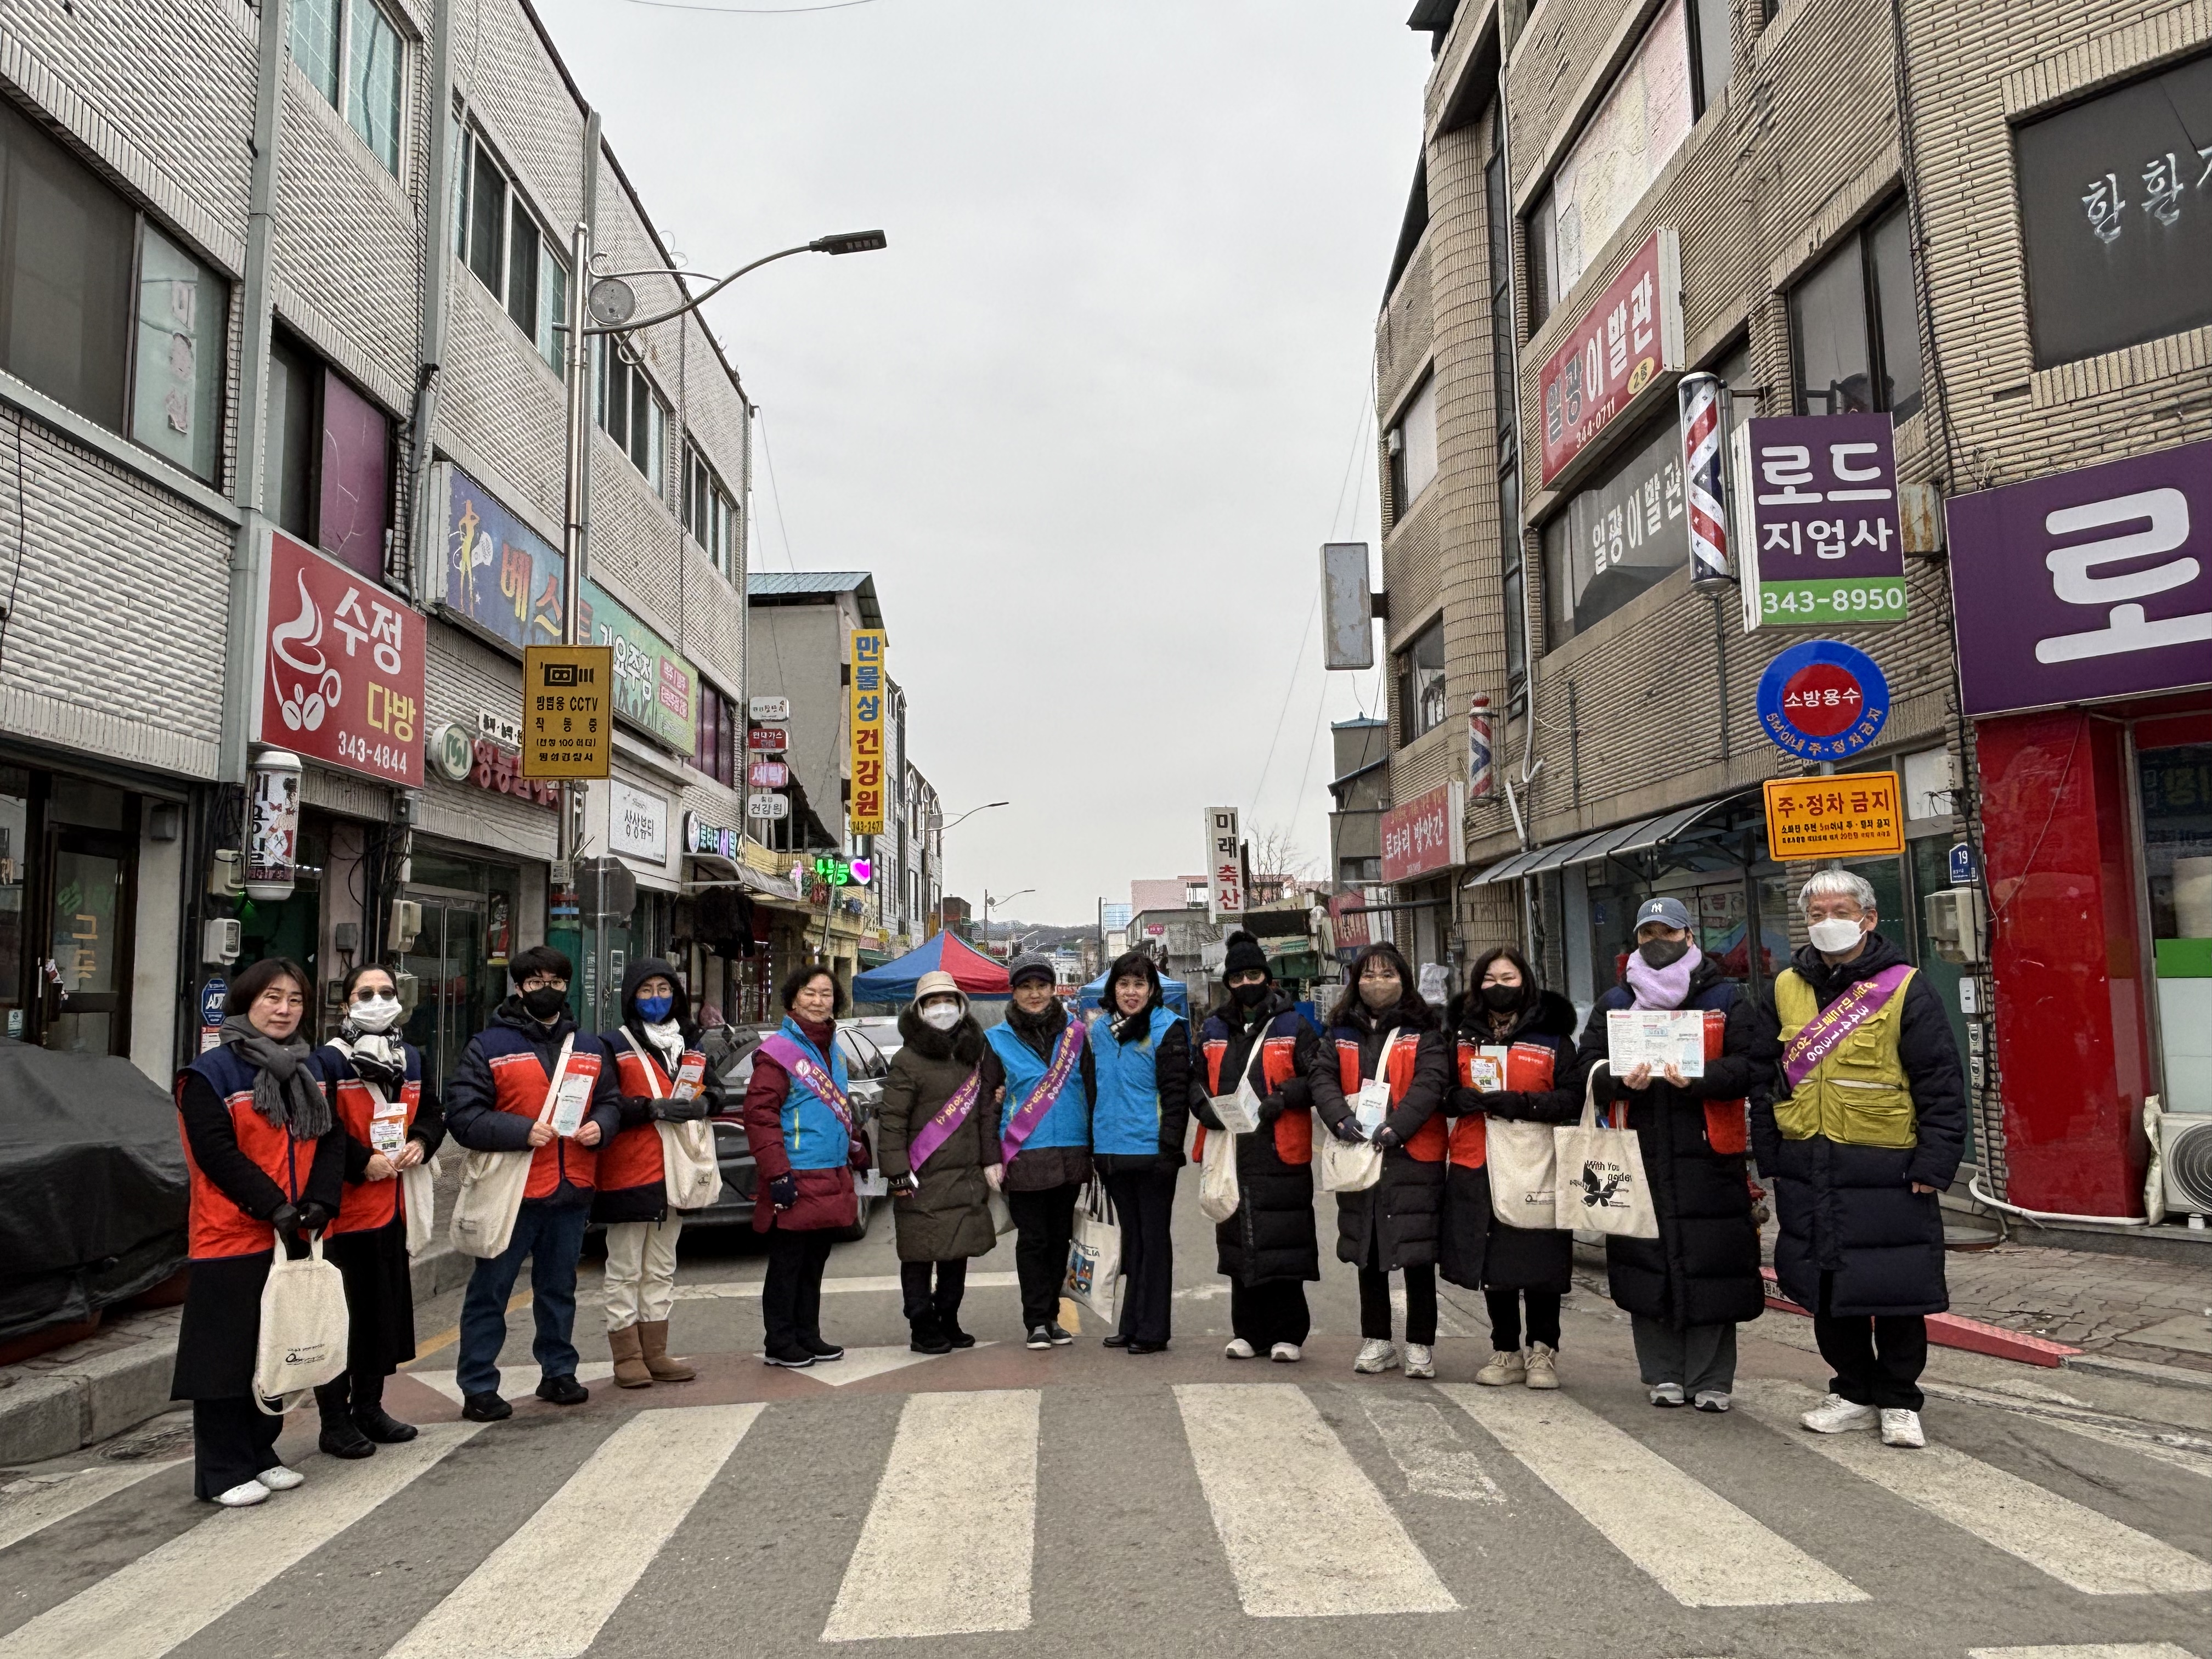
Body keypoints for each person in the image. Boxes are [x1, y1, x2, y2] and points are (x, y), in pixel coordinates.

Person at [1757, 870, 1968, 1449]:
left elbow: (1940, 1082)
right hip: (1808, 1163)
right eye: (1816, 914)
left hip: (1886, 1165)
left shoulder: (1906, 987)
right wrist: (1771, 1154)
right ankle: (1851, 1390)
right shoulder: (1785, 988)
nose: (1828, 923)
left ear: (1868, 919)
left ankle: (1899, 1399)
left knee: (1895, 1289)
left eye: (1841, 912)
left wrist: (1934, 1165)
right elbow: (1763, 1078)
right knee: (1825, 1289)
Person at [1571, 896, 1779, 1412]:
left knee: (1713, 1265)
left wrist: (1700, 1078)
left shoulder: (1725, 998)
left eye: (1668, 932)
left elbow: (1754, 1066)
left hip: (1708, 1156)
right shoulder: (1616, 1001)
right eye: (1648, 934)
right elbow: (1584, 1069)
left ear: (1689, 937)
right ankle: (1662, 1372)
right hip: (1635, 1154)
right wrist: (1620, 1080)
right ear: (1636, 941)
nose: (1658, 942)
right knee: (1645, 1263)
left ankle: (1712, 1379)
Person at [170, 957, 345, 1506]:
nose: (284, 1009)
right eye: (273, 997)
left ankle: (261, 1452)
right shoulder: (209, 1074)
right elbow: (216, 1153)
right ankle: (222, 1470)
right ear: (246, 1001)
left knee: (276, 1349)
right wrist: (272, 1205)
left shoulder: (311, 1069)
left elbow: (332, 1139)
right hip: (231, 1234)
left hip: (292, 1233)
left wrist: (320, 1200)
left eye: (295, 1000)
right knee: (225, 1356)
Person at [444, 945, 622, 1420]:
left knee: (559, 1289)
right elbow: (463, 1116)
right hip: (512, 1192)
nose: (548, 990)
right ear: (520, 988)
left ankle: (559, 1371)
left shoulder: (589, 1046)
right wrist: (520, 1131)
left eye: (557, 982)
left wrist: (602, 1125)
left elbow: (610, 1100)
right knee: (491, 1292)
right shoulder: (489, 1046)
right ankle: (478, 1385)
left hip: (571, 1186)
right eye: (537, 982)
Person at [310, 964, 445, 1458]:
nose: (377, 1001)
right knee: (339, 1321)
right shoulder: (326, 1061)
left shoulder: (411, 1057)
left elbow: (432, 1112)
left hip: (392, 1209)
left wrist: (421, 1142)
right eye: (364, 994)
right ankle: (334, 1421)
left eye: (386, 992)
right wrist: (361, 1160)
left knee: (380, 1317)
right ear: (345, 1004)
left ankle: (369, 1408)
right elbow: (318, 1127)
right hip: (343, 1215)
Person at [1441, 947, 1581, 1390]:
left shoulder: (1553, 1037)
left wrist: (1524, 1104)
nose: (1498, 987)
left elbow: (1574, 1097)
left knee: (1541, 1257)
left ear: (1526, 981)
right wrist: (1455, 1098)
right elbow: (1440, 1088)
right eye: (1489, 979)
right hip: (1477, 1157)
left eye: (1508, 978)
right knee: (1493, 1262)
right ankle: (1506, 1350)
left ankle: (1543, 1349)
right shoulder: (1462, 1035)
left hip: (1535, 1161)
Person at [1310, 942, 1452, 1378]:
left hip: (1413, 1157)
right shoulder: (1340, 1030)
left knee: (1417, 1254)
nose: (1377, 983)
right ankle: (1377, 1340)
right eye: (1368, 975)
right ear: (1356, 982)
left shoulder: (1425, 1030)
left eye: (1388, 974)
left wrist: (1399, 1126)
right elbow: (1322, 1076)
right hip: (1359, 1152)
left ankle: (1420, 1345)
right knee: (1367, 1252)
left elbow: (1432, 1081)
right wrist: (1339, 1118)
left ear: (1404, 980)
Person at [1191, 931, 1322, 1361]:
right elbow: (1194, 1078)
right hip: (1231, 1149)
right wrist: (1203, 1108)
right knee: (1237, 1242)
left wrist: (1284, 1097)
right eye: (1237, 978)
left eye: (1253, 974)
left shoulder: (1293, 1025)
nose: (1246, 983)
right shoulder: (1213, 1028)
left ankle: (1288, 1334)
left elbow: (1318, 1077)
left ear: (1267, 976)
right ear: (1228, 983)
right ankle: (1247, 1331)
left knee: (1284, 1241)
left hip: (1279, 1149)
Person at [595, 958, 720, 1389]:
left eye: (663, 990)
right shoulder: (613, 1044)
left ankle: (656, 1352)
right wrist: (648, 1108)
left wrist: (705, 1104)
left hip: (678, 1170)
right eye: (646, 991)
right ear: (631, 997)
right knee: (625, 1267)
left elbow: (715, 1089)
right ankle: (627, 1356)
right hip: (632, 1171)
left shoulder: (690, 1043)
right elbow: (604, 1101)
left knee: (662, 1266)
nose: (656, 998)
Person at [743, 963, 872, 1368]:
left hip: (830, 1170)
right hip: (796, 1172)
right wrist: (777, 1173)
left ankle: (807, 1334)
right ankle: (780, 1342)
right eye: (809, 993)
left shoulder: (834, 1048)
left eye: (826, 994)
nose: (818, 1002)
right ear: (793, 999)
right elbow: (760, 1116)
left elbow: (837, 1108)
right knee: (788, 1262)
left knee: (815, 1260)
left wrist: (855, 1150)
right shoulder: (779, 1052)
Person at [877, 969, 997, 1354]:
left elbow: (984, 1109)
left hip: (964, 1173)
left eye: (948, 1001)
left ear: (961, 1006)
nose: (942, 1009)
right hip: (921, 1175)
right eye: (933, 1002)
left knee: (957, 1252)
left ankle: (948, 1316)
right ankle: (921, 1323)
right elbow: (892, 1120)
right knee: (919, 1252)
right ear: (920, 1009)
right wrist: (897, 1172)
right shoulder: (907, 1059)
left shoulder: (973, 1054)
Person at [979, 952, 1096, 1351]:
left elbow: (1091, 1091)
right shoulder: (996, 1040)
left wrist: (1095, 1149)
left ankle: (1052, 1316)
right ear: (1013, 992)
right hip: (1024, 1155)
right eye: (1026, 987)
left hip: (1070, 1151)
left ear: (1053, 989)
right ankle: (1036, 1322)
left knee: (1061, 1238)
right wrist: (990, 1156)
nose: (1035, 994)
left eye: (1042, 986)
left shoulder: (1076, 1034)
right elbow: (987, 1103)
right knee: (1033, 1240)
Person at [1086, 951, 1190, 1354]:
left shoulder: (1168, 1028)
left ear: (1152, 989)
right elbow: (1092, 1089)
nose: (1131, 992)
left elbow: (1176, 1097)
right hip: (1111, 1153)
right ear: (1113, 988)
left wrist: (1170, 1151)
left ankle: (1153, 1329)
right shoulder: (1100, 1030)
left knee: (1153, 1240)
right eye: (1124, 984)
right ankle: (1130, 1324)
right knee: (1132, 1241)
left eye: (1140, 984)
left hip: (1151, 1154)